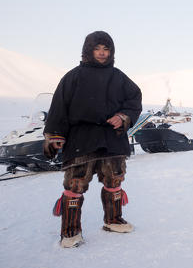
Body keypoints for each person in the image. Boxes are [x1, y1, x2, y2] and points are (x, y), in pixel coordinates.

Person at [44, 31, 142, 248]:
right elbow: (59, 107)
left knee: (114, 180)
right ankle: (70, 232)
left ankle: (113, 220)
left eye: (106, 49)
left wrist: (123, 116)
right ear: (88, 50)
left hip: (111, 136)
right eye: (97, 49)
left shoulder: (119, 77)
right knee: (75, 184)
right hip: (82, 137)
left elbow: (134, 99)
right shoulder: (73, 77)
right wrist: (55, 136)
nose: (101, 53)